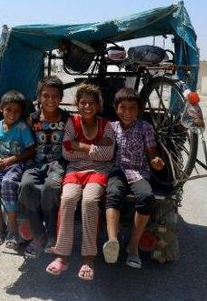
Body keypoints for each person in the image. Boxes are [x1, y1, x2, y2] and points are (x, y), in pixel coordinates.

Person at [46, 83, 114, 280]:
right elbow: (67, 152)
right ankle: (62, 256)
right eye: (82, 102)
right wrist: (94, 148)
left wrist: (80, 146)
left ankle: (88, 258)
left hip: (98, 171)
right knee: (67, 200)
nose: (87, 106)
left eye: (91, 103)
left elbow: (108, 154)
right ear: (77, 104)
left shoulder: (105, 125)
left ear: (98, 105)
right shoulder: (72, 122)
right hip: (74, 170)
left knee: (89, 202)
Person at [103, 88, 165, 268]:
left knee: (146, 197)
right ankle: (112, 241)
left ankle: (133, 246)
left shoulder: (145, 127)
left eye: (132, 108)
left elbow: (152, 154)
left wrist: (156, 162)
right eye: (123, 107)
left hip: (139, 172)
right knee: (113, 193)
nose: (127, 112)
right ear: (116, 109)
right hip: (117, 171)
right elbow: (104, 150)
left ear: (138, 110)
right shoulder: (111, 127)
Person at [17, 76, 70, 258]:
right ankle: (39, 235)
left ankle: (52, 236)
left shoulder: (67, 119)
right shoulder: (31, 119)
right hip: (35, 164)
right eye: (46, 96)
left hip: (57, 165)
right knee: (26, 186)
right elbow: (24, 143)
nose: (50, 100)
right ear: (39, 97)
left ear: (61, 97)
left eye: (55, 96)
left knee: (50, 188)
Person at [0, 90, 36, 250]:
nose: (12, 114)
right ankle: (0, 226)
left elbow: (31, 150)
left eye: (16, 111)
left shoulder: (22, 128)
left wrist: (11, 159)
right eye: (8, 110)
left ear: (21, 113)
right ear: (1, 109)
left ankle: (13, 227)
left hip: (16, 163)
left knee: (8, 183)